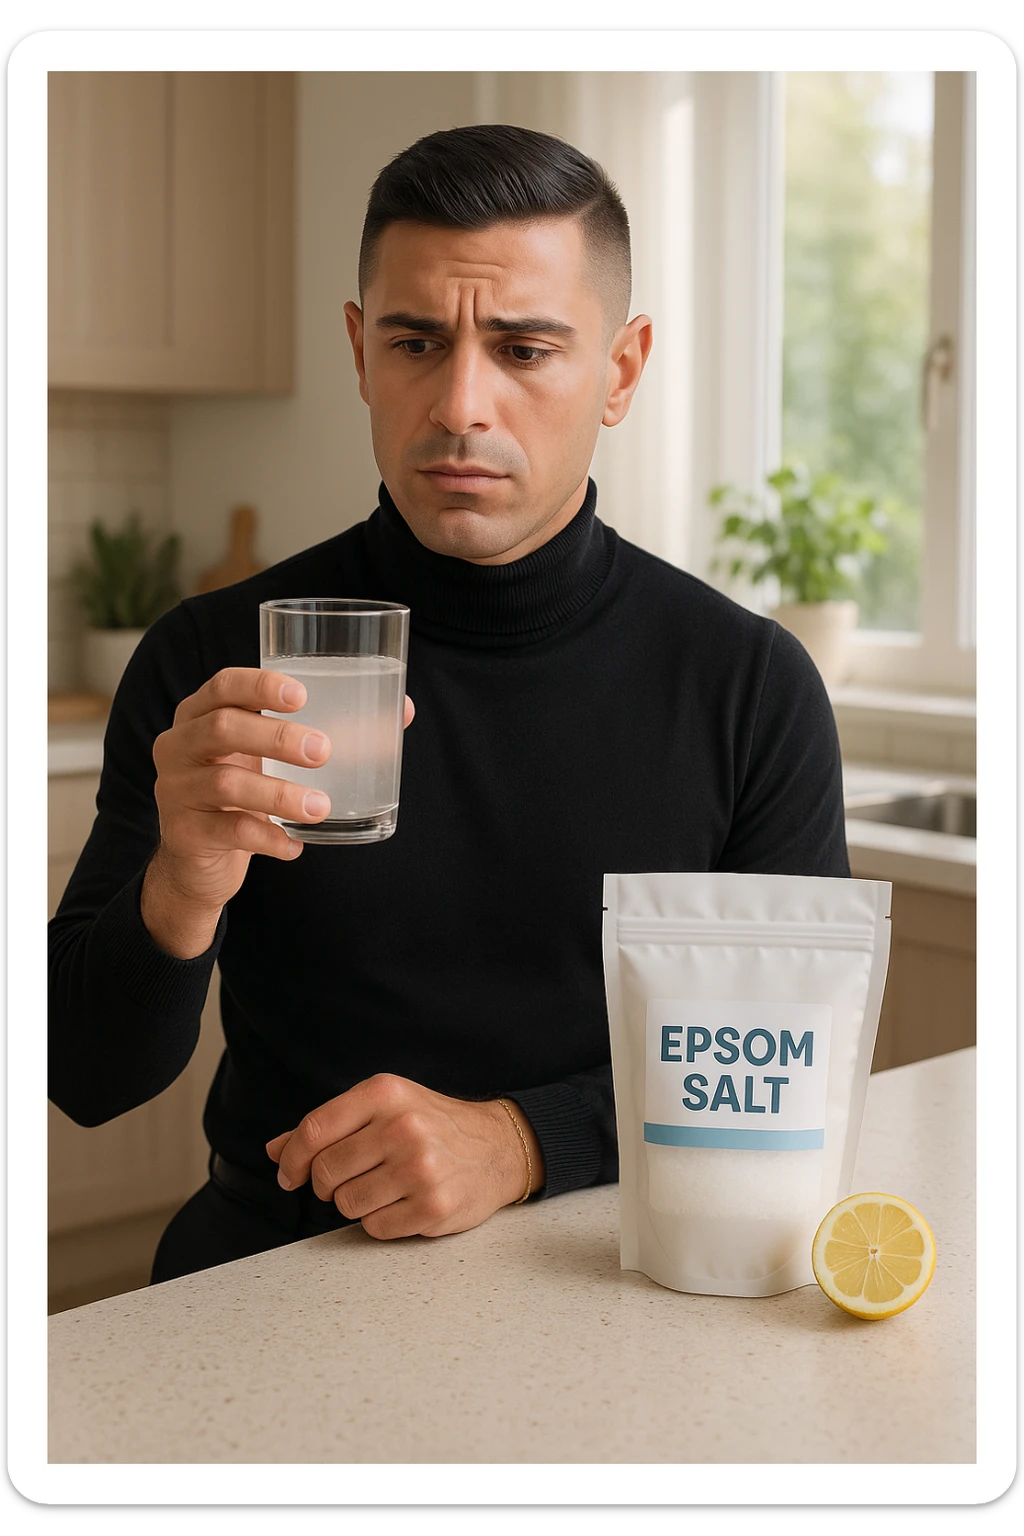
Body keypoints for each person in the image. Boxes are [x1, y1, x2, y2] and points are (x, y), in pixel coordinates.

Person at [48, 124, 850, 1285]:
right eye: (417, 341)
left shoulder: (746, 685)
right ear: (360, 352)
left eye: (525, 349)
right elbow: (84, 1078)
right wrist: (179, 886)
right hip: (271, 1270)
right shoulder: (213, 659)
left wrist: (521, 1141)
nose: (460, 403)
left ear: (619, 372)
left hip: (603, 1270)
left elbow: (790, 1070)